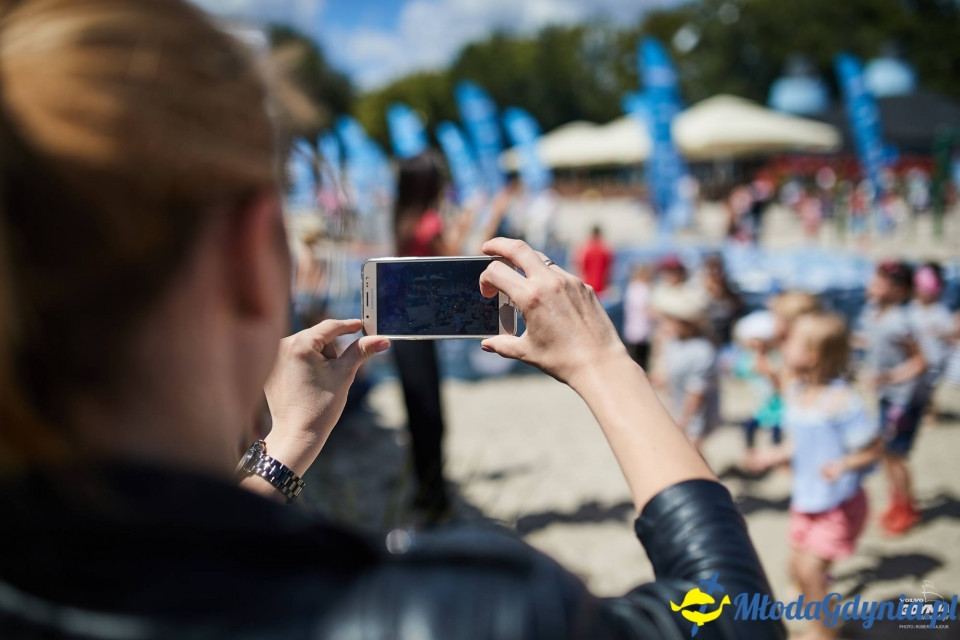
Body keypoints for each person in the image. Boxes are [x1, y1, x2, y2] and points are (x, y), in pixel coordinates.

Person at [0, 2, 783, 639]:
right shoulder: (461, 612)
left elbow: (170, 571)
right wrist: (606, 365)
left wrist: (285, 448)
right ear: (247, 256)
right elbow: (725, 615)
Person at [749, 313, 883, 640]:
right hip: (807, 499)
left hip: (837, 503)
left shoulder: (842, 401)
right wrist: (773, 455)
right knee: (797, 569)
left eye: (791, 341)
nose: (784, 344)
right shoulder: (798, 391)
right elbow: (801, 441)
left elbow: (874, 449)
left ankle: (823, 633)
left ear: (812, 356)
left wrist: (844, 464)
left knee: (810, 572)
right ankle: (822, 611)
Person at [392, 151, 473, 520]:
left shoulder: (401, 218)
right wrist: (466, 224)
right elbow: (455, 259)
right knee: (432, 417)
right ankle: (435, 496)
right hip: (421, 327)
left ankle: (424, 492)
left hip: (401, 324)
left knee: (417, 412)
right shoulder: (429, 220)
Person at [857, 261, 928, 535]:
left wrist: (888, 377)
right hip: (887, 396)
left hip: (903, 399)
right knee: (887, 452)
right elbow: (872, 340)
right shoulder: (874, 313)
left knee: (896, 455)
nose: (872, 285)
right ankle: (897, 501)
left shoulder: (901, 320)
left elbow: (920, 361)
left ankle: (907, 508)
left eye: (879, 282)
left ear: (899, 290)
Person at [652, 290, 720, 453]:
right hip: (677, 406)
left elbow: (696, 392)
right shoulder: (673, 342)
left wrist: (683, 421)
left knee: (691, 452)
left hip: (695, 416)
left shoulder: (702, 351)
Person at [732, 311, 783, 470]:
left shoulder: (776, 357)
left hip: (775, 403)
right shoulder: (747, 359)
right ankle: (751, 454)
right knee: (749, 428)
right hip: (757, 402)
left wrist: (770, 373)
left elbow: (781, 382)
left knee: (776, 432)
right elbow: (739, 374)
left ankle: (777, 459)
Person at [909, 263, 954, 416]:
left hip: (935, 359)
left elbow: (949, 333)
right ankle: (926, 409)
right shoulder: (912, 308)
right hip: (917, 357)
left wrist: (940, 333)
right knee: (918, 387)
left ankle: (931, 412)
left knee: (929, 388)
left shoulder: (940, 311)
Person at [701, 254, 742, 346]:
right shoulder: (699, 291)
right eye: (711, 268)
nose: (715, 272)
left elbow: (736, 313)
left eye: (718, 268)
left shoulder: (732, 290)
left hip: (728, 335)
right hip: (707, 337)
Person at [622, 263, 653, 369]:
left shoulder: (633, 287)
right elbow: (645, 309)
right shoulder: (640, 288)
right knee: (639, 362)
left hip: (635, 331)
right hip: (639, 331)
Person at [574, 224, 612, 295]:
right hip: (602, 287)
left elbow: (580, 268)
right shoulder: (605, 249)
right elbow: (609, 270)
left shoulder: (585, 249)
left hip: (588, 285)